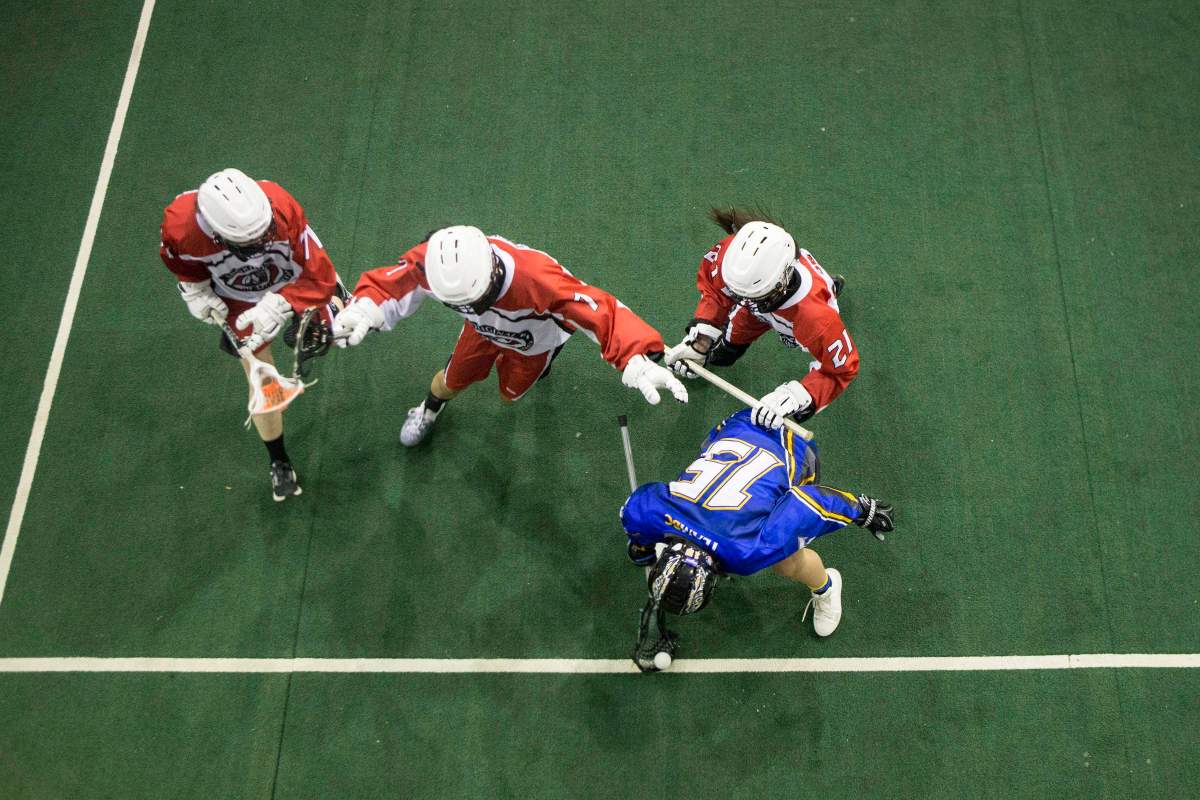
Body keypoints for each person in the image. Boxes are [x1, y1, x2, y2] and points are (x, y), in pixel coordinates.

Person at [332, 225, 687, 444]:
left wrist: (634, 357)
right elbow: (394, 282)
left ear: (492, 269)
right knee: (449, 382)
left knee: (508, 396)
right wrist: (364, 308)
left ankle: (547, 362)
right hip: (480, 334)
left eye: (478, 299)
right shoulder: (437, 263)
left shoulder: (536, 279)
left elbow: (599, 309)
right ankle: (428, 409)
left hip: (534, 344)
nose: (474, 306)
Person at [620, 407, 894, 669]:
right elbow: (639, 510)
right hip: (743, 420)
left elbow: (803, 504)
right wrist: (642, 548)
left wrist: (860, 510)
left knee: (786, 562)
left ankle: (827, 587)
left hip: (793, 445)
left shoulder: (745, 552)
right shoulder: (645, 513)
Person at [159, 168, 346, 501]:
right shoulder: (181, 228)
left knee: (334, 329)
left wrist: (282, 303)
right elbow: (183, 265)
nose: (261, 243)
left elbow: (319, 277)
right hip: (237, 297)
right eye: (250, 241)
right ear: (218, 234)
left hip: (291, 280)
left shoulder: (281, 207)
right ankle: (279, 460)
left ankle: (336, 303)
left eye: (264, 233)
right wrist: (196, 290)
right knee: (263, 385)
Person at [664, 207, 859, 430]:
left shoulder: (816, 319)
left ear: (781, 282)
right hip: (761, 308)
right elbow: (717, 291)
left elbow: (843, 369)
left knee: (807, 311)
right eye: (738, 294)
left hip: (796, 314)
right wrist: (701, 342)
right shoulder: (732, 256)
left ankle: (831, 287)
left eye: (750, 294)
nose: (737, 301)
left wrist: (798, 395)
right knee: (725, 352)